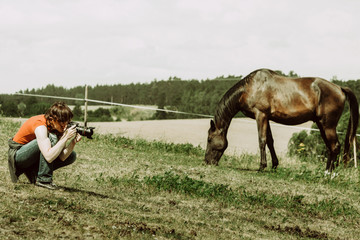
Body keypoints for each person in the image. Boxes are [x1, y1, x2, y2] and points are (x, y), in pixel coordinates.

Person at [8, 101, 81, 190]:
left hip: (32, 156)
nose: (64, 125)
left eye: (67, 121)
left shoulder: (55, 126)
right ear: (52, 119)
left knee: (71, 155)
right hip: (18, 155)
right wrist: (65, 138)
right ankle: (43, 180)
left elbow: (62, 157)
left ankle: (34, 172)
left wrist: (72, 142)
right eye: (61, 121)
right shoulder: (40, 126)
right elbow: (49, 156)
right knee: (52, 139)